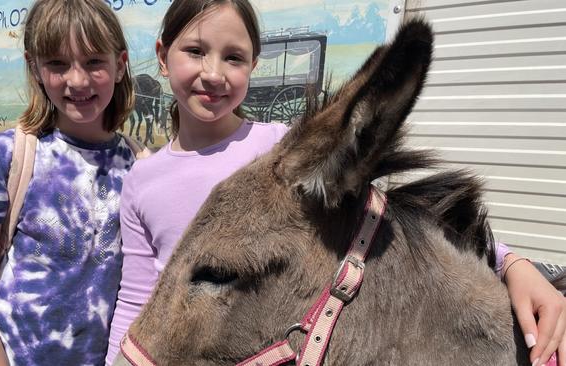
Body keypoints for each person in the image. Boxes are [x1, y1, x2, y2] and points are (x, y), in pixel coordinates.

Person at [107, 1, 566, 365]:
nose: (212, 72)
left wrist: (512, 264)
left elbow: (387, 218)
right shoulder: (143, 179)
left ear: (252, 65)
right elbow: (137, 298)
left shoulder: (281, 151)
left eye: (233, 57)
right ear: (163, 58)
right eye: (194, 52)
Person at [0, 0, 136, 364]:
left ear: (120, 65)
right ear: (35, 67)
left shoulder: (141, 167)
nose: (77, 80)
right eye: (58, 64)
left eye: (93, 62)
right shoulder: (3, 157)